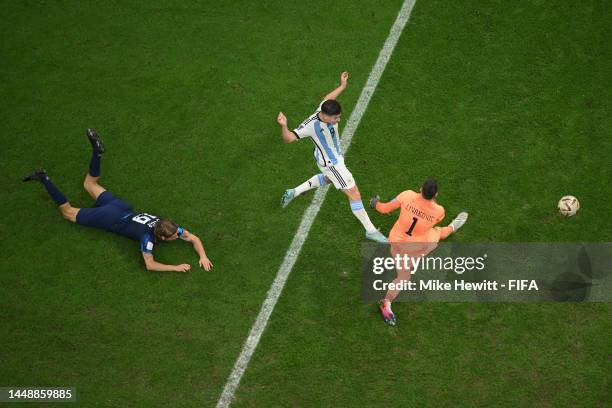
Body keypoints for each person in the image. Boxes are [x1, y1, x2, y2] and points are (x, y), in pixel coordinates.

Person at [23, 129, 213, 273]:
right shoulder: (148, 239)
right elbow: (150, 265)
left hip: (120, 207)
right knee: (68, 212)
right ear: (160, 237)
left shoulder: (168, 226)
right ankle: (44, 178)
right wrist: (175, 267)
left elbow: (193, 238)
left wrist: (203, 256)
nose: (176, 237)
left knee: (89, 183)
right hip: (110, 216)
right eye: (172, 237)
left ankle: (97, 153)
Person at [276, 71, 387, 243]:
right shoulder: (310, 126)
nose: (339, 120)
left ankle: (294, 191)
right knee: (353, 192)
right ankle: (370, 230)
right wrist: (284, 126)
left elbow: (327, 99)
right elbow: (289, 138)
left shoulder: (324, 108)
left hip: (330, 159)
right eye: (335, 118)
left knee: (329, 180)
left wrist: (342, 86)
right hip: (332, 164)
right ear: (325, 116)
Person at [370, 178, 468, 325]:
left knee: (403, 276)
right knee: (438, 233)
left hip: (395, 243)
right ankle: (454, 226)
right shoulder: (439, 211)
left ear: (420, 188)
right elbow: (432, 221)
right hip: (415, 247)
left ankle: (387, 302)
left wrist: (375, 203)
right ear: (436, 195)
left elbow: (385, 209)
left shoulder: (407, 195)